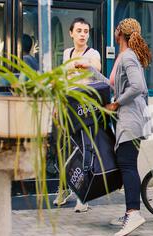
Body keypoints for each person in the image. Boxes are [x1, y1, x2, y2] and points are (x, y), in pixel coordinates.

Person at [80, 18, 153, 236]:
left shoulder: (129, 56)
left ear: (119, 32)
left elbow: (138, 86)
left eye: (115, 29)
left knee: (127, 165)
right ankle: (129, 212)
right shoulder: (126, 56)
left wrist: (116, 103)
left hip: (131, 119)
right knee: (125, 164)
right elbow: (111, 84)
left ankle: (133, 213)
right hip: (129, 119)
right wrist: (90, 69)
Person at [52, 17, 101, 213]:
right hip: (67, 106)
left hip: (85, 109)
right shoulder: (66, 53)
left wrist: (80, 64)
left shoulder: (93, 53)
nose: (82, 34)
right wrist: (57, 105)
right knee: (63, 148)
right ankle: (64, 189)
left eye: (86, 31)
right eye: (79, 31)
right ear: (71, 33)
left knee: (84, 150)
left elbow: (96, 66)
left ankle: (84, 196)